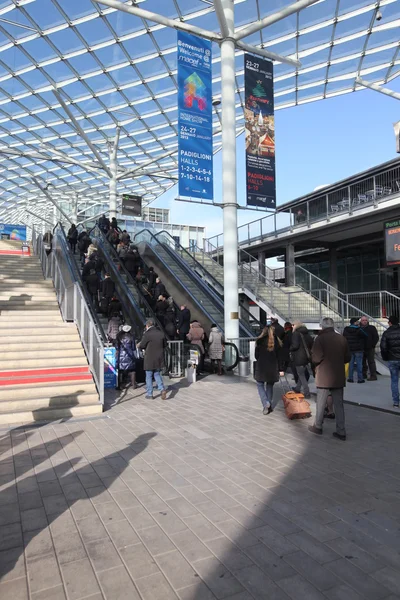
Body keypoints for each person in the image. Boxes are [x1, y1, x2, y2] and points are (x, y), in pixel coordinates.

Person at [309, 317, 351, 440]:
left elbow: (316, 358)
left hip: (323, 376)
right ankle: (341, 431)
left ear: (322, 326)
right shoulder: (341, 338)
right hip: (338, 375)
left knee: (321, 403)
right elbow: (347, 357)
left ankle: (318, 426)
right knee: (339, 404)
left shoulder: (320, 339)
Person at [254, 326, 282, 415]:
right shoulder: (277, 341)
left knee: (259, 384)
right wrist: (281, 369)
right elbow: (279, 357)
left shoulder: (259, 341)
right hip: (273, 368)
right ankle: (268, 406)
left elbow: (256, 356)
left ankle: (266, 403)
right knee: (269, 386)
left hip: (261, 368)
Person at [138, 318, 167, 400]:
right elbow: (165, 345)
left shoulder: (147, 334)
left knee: (149, 375)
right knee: (157, 374)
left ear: (147, 325)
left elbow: (142, 345)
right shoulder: (161, 333)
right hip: (159, 358)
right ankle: (162, 389)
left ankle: (150, 394)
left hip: (149, 358)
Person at [290, 321, 313, 399]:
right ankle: (297, 388)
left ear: (297, 325)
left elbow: (295, 346)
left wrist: (289, 348)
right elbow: (311, 344)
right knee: (301, 374)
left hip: (299, 357)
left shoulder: (296, 334)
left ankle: (307, 393)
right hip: (306, 357)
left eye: (293, 324)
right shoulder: (307, 334)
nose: (292, 326)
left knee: (301, 375)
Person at [380, 315, 400, 407]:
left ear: (390, 323)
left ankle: (396, 402)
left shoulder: (387, 333)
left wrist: (385, 357)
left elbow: (383, 347)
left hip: (392, 359)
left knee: (394, 381)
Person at [343, 317, 367, 383]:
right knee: (359, 364)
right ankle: (360, 379)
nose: (358, 322)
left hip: (350, 349)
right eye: (357, 321)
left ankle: (350, 378)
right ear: (355, 322)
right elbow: (365, 335)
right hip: (359, 349)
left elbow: (344, 337)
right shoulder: (359, 329)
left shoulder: (346, 329)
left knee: (351, 364)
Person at [115, 325, 137, 390]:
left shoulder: (119, 337)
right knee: (132, 371)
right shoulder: (131, 337)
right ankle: (133, 384)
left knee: (121, 371)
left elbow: (117, 346)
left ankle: (120, 385)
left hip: (121, 356)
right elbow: (133, 348)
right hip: (130, 355)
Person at [360, 315, 379, 381]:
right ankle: (363, 374)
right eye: (363, 320)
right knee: (362, 362)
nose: (364, 322)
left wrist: (373, 345)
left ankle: (373, 375)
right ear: (361, 321)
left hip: (370, 348)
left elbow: (376, 337)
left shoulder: (372, 328)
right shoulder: (358, 328)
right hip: (361, 348)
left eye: (366, 320)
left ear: (367, 321)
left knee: (371, 362)